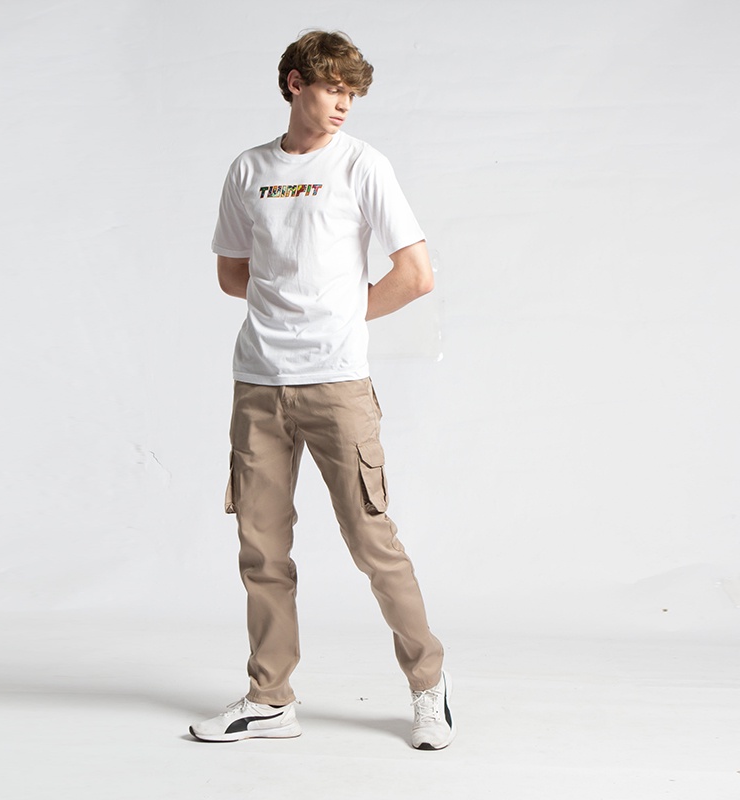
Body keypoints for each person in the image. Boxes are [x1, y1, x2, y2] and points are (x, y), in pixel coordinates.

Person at [189, 30, 454, 751]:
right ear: (295, 84)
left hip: (337, 385)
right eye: (333, 88)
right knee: (262, 551)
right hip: (258, 385)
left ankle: (429, 687)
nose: (343, 104)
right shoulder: (249, 169)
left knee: (372, 541)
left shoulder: (362, 164)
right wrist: (289, 305)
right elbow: (232, 274)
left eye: (351, 93)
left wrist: (340, 315)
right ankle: (270, 700)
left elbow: (416, 274)